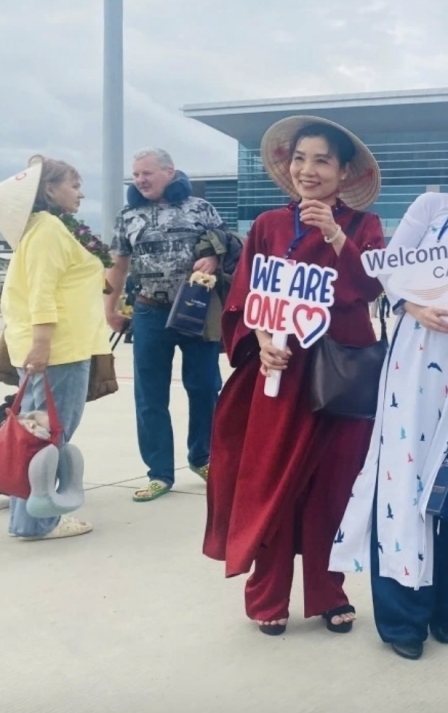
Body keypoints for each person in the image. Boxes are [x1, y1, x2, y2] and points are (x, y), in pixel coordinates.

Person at [332, 130, 448, 661]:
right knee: (402, 482)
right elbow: (392, 270)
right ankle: (401, 619)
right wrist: (414, 307)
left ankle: (445, 610)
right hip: (413, 367)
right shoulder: (430, 206)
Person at [203, 116, 384, 635]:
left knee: (333, 485)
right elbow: (242, 299)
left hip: (339, 372)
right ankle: (268, 595)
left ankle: (328, 592)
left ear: (344, 170)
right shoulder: (267, 225)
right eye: (301, 159)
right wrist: (260, 341)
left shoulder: (364, 226)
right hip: (279, 373)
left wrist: (334, 236)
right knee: (272, 483)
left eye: (322, 160)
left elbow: (370, 289)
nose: (309, 170)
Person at [104, 149, 229, 501]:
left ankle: (203, 457)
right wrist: (109, 307)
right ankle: (159, 472)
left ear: (169, 173)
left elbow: (230, 247)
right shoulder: (128, 215)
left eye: (147, 173)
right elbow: (117, 266)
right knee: (149, 396)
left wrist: (214, 257)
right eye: (136, 175)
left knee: (204, 387)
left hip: (197, 310)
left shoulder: (200, 208)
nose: (140, 180)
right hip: (148, 312)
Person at [1, 156, 109, 539]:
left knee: (34, 431)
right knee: (47, 437)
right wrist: (43, 343)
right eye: (74, 185)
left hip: (55, 346)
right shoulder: (48, 229)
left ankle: (25, 516)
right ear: (49, 190)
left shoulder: (40, 228)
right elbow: (43, 290)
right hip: (59, 349)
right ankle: (36, 522)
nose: (81, 192)